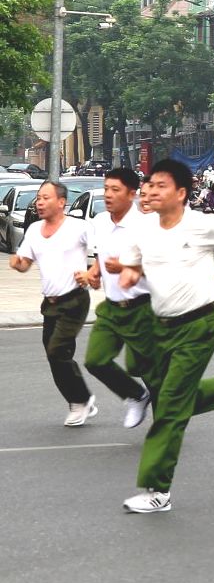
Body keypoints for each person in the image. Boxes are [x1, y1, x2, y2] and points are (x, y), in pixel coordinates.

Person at [115, 159, 214, 513]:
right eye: (150, 184)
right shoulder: (141, 229)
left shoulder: (205, 224)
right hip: (159, 327)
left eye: (161, 185)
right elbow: (132, 264)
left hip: (198, 325)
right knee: (173, 400)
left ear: (182, 193)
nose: (151, 190)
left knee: (169, 408)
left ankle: (158, 489)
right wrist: (127, 276)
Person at [10, 180, 97, 425]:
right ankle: (79, 400)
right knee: (53, 355)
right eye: (38, 198)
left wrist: (91, 274)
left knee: (58, 350)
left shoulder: (79, 227)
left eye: (45, 197)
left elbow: (102, 252)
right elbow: (24, 262)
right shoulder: (34, 230)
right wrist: (17, 263)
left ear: (62, 202)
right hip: (50, 303)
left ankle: (81, 401)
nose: (39, 202)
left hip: (75, 299)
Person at [83, 168, 155, 428]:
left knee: (151, 372)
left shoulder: (147, 226)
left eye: (115, 190)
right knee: (95, 361)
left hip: (142, 308)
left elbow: (159, 266)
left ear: (132, 194)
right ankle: (136, 395)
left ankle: (167, 421)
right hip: (112, 308)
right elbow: (101, 256)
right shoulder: (100, 221)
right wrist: (94, 272)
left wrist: (126, 268)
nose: (108, 195)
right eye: (106, 189)